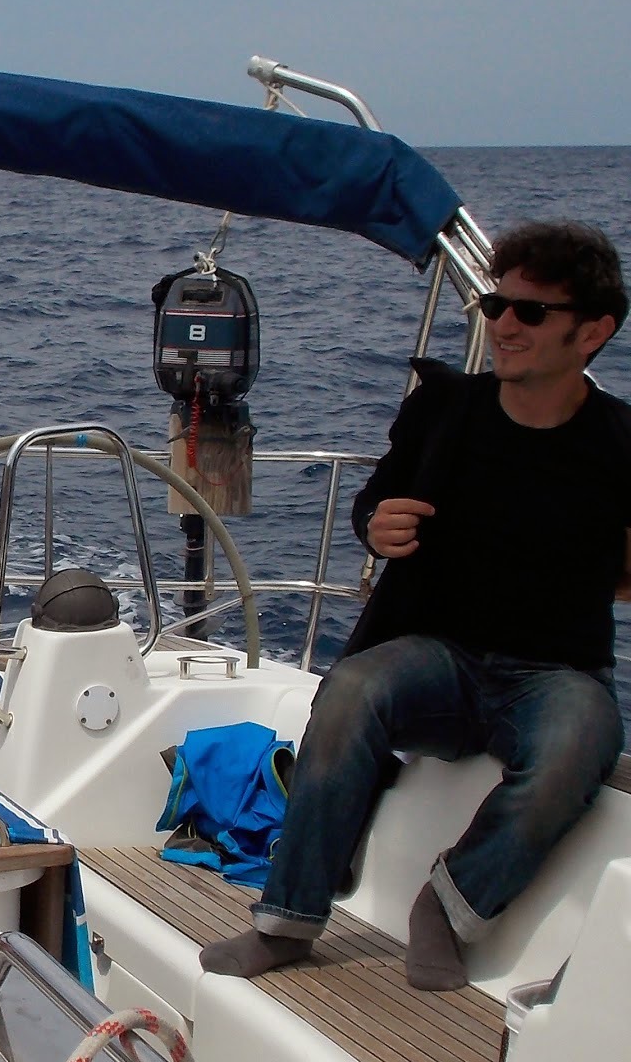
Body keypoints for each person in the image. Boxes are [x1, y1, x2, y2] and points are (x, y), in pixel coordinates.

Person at [201, 220, 631, 992]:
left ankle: (451, 906)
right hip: (437, 654)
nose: (503, 325)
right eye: (497, 305)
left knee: (583, 738)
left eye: (529, 313)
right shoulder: (444, 410)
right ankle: (287, 923)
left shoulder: (621, 443)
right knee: (353, 690)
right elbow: (377, 503)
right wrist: (378, 524)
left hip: (555, 670)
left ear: (592, 331)